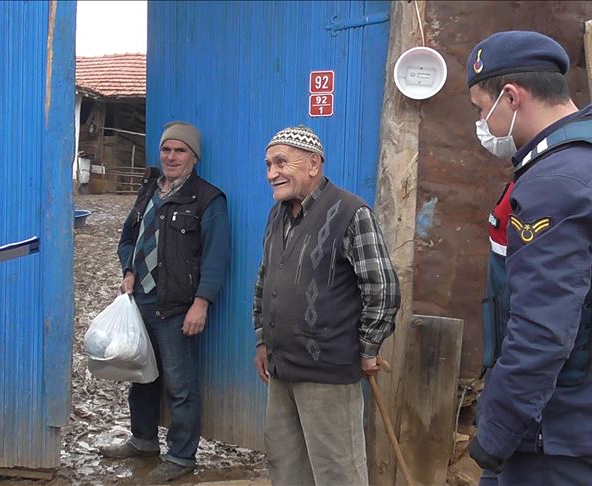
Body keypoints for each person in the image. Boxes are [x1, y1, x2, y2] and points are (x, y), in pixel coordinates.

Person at [466, 31, 592, 484]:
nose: (481, 123)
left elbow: (543, 329)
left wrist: (497, 430)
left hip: (558, 420)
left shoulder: (559, 182)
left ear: (511, 97)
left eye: (481, 108)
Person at [252, 125, 401, 485]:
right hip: (281, 367)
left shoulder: (351, 212)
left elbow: (382, 287)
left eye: (281, 162)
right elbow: (264, 279)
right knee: (286, 466)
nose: (272, 173)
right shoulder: (277, 215)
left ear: (313, 164)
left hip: (328, 372)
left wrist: (368, 348)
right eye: (268, 164)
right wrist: (262, 340)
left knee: (338, 472)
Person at [102, 121, 230, 483]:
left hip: (176, 309)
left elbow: (216, 257)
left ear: (194, 157)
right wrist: (129, 269)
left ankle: (181, 456)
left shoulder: (208, 199)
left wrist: (201, 303)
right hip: (140, 301)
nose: (171, 157)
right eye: (166, 150)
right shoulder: (149, 190)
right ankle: (143, 441)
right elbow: (128, 239)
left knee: (180, 385)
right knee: (140, 375)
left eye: (180, 150)